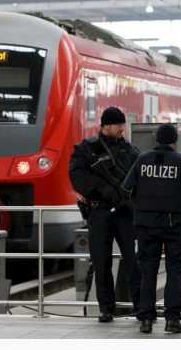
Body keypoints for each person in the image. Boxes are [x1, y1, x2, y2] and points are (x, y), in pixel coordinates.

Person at [121, 123, 181, 334]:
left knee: (148, 271)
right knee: (175, 271)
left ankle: (146, 319)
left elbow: (125, 189)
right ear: (175, 142)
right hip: (173, 225)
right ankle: (172, 320)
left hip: (145, 225)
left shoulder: (142, 160)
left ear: (156, 140)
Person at [68, 106, 141, 323]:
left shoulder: (131, 151)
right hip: (99, 211)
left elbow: (139, 178)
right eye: (118, 124)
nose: (122, 128)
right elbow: (76, 175)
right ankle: (106, 308)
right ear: (106, 125)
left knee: (134, 260)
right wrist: (101, 188)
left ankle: (141, 307)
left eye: (123, 124)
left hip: (125, 212)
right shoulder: (85, 149)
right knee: (101, 261)